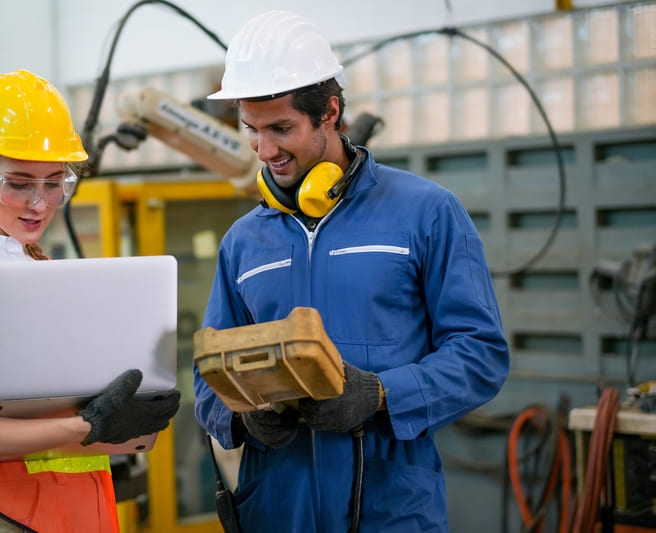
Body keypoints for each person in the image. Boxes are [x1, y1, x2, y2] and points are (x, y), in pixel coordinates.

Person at [193, 10, 509, 533]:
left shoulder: (425, 212)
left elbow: (480, 355)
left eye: (281, 129)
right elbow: (209, 381)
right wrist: (242, 415)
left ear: (330, 113)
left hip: (389, 507)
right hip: (276, 507)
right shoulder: (243, 242)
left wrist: (381, 394)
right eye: (251, 129)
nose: (265, 150)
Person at [0, 70, 181, 533]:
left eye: (55, 183)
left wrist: (126, 412)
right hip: (5, 515)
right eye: (20, 183)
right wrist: (86, 427)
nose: (39, 203)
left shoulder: (39, 274)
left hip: (74, 511)